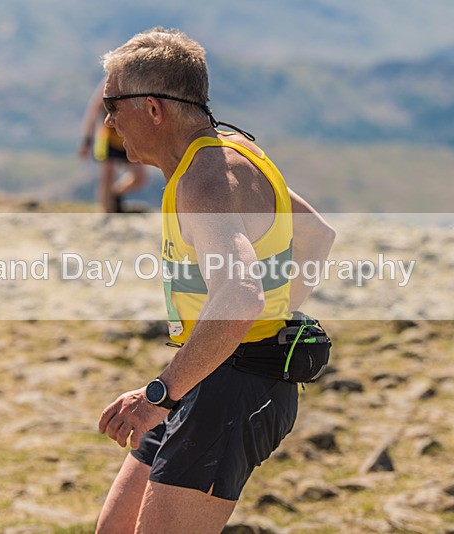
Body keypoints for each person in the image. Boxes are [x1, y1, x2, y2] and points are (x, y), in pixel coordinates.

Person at [96, 27, 336, 533]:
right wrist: (270, 320)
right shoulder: (231, 153)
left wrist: (159, 394)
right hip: (207, 376)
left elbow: (239, 295)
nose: (110, 121)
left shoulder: (204, 179)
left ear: (154, 109)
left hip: (230, 390)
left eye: (113, 104)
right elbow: (316, 234)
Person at [79, 78, 148, 212]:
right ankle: (106, 212)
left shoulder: (138, 80)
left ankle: (116, 194)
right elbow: (94, 110)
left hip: (129, 136)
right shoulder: (109, 82)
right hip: (108, 137)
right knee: (107, 175)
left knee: (139, 177)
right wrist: (87, 140)